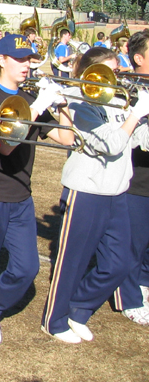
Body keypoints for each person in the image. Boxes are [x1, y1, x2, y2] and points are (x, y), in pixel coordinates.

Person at [0, 34, 75, 358]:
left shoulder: (29, 97)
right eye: (21, 59)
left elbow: (66, 138)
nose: (28, 65)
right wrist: (36, 107)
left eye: (30, 59)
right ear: (2, 60)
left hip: (21, 197)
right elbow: (5, 145)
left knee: (26, 267)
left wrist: (62, 105)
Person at [41, 47, 149, 343]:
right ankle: (54, 320)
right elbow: (110, 144)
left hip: (117, 193)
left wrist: (143, 115)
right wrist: (135, 115)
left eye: (117, 70)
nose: (116, 76)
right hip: (86, 191)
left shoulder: (120, 102)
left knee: (120, 264)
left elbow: (142, 141)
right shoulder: (80, 103)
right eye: (110, 71)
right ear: (91, 73)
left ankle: (79, 308)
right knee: (72, 261)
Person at [114, 30, 149, 324]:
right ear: (139, 58)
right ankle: (129, 299)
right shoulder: (128, 90)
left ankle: (144, 286)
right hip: (136, 180)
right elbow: (130, 137)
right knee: (133, 244)